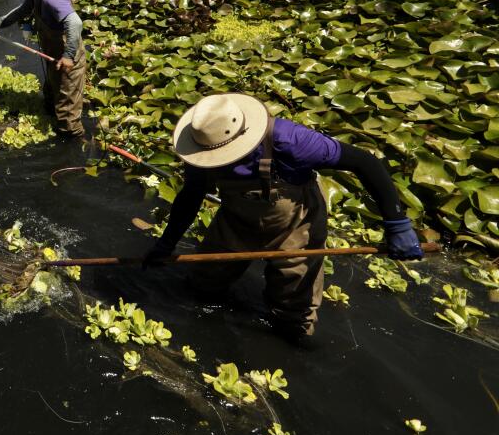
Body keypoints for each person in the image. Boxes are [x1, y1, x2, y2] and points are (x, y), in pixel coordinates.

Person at [142, 93, 424, 341]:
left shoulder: (293, 141)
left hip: (295, 225)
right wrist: (167, 244)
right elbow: (191, 195)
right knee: (203, 284)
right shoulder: (202, 150)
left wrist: (396, 223)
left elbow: (365, 162)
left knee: (293, 307)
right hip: (236, 221)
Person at [0, 0, 86, 138]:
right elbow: (22, 10)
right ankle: (54, 126)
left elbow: (75, 22)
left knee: (67, 115)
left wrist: (69, 55)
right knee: (50, 96)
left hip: (68, 60)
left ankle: (77, 144)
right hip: (54, 58)